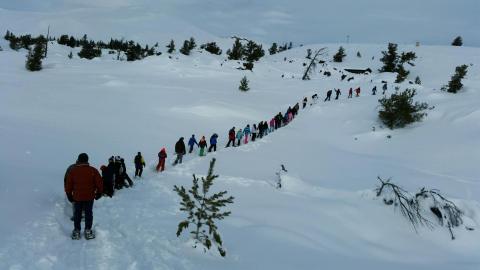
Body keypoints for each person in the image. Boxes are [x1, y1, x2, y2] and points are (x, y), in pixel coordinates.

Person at [65, 153, 103, 240]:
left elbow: (68, 184)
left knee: (77, 213)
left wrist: (69, 194)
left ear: (78, 160)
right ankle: (88, 230)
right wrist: (99, 193)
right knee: (88, 213)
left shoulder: (73, 171)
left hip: (77, 197)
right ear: (87, 160)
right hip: (89, 197)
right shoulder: (93, 170)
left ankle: (77, 231)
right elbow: (100, 183)